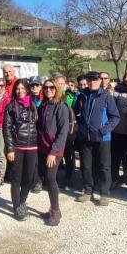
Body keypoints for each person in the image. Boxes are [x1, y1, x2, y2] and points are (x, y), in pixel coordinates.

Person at [73, 71, 120, 206]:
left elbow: (115, 117)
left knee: (104, 166)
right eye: (89, 80)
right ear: (86, 81)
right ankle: (88, 190)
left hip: (102, 137)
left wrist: (104, 130)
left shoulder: (106, 97)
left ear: (100, 81)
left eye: (95, 80)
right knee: (86, 166)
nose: (92, 82)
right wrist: (79, 127)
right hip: (85, 137)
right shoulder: (81, 96)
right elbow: (76, 112)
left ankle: (104, 193)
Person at [4, 79, 39, 220]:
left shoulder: (33, 104)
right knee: (16, 179)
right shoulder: (11, 106)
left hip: (32, 146)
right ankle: (16, 206)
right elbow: (6, 128)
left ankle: (23, 201)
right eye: (18, 88)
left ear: (27, 89)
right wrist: (10, 149)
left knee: (29, 178)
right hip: (18, 147)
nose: (20, 91)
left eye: (23, 88)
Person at [37, 79, 70, 226]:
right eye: (46, 87)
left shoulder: (61, 107)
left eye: (52, 87)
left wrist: (54, 151)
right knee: (46, 178)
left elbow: (63, 132)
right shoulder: (43, 105)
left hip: (54, 150)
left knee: (51, 178)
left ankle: (55, 211)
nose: (49, 89)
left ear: (57, 89)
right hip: (42, 148)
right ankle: (52, 207)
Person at [54, 74, 78, 192]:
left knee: (69, 156)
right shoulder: (50, 95)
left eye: (62, 83)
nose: (60, 86)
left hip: (68, 132)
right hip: (54, 132)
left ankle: (69, 179)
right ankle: (55, 179)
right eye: (57, 83)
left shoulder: (69, 96)